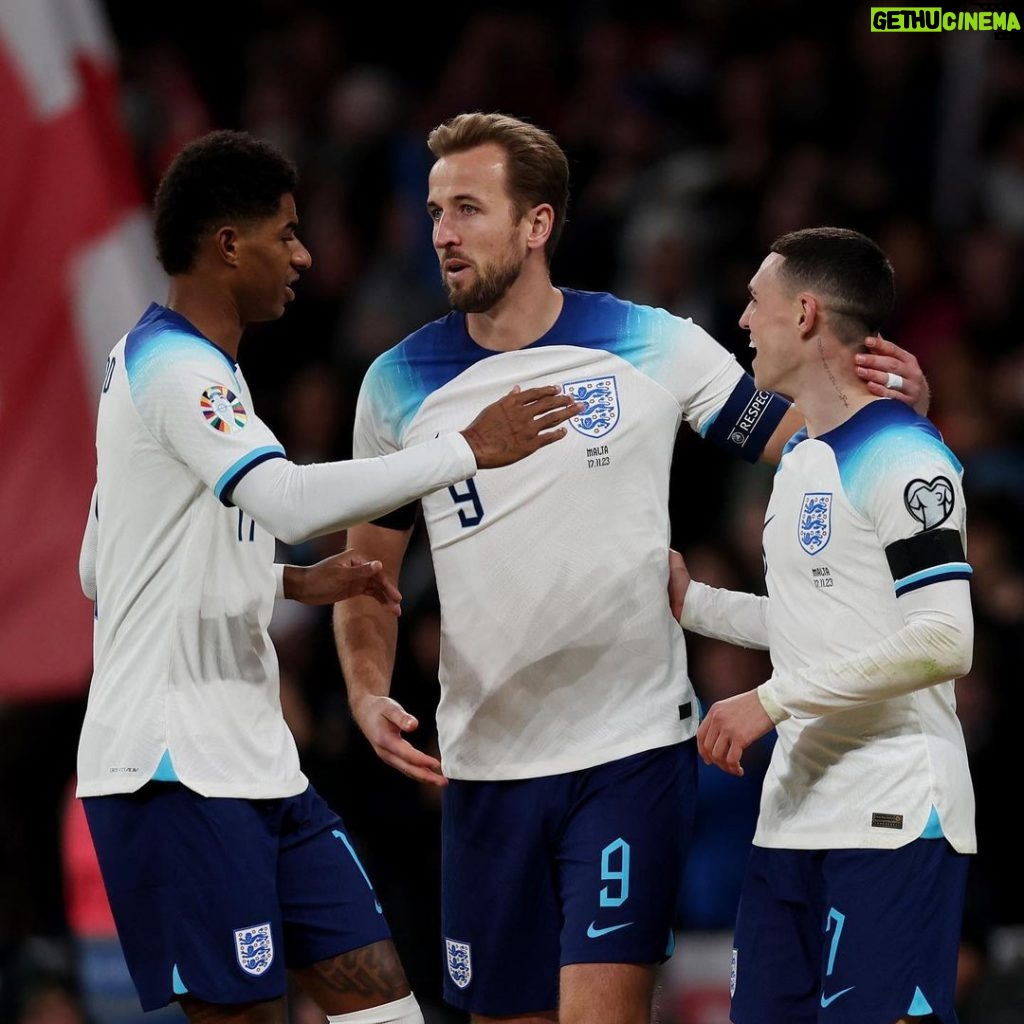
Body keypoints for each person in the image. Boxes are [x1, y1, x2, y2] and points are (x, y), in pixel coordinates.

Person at [331, 113, 929, 1024]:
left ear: (536, 226)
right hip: (486, 766)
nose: (443, 232)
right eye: (435, 211)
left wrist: (897, 422)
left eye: (467, 209)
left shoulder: (652, 344)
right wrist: (367, 688)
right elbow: (364, 574)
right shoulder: (396, 384)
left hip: (630, 753)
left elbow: (804, 435)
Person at [75, 128, 580, 1024]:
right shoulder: (178, 371)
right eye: (287, 232)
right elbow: (289, 500)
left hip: (258, 767)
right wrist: (465, 449)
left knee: (387, 1014)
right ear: (229, 245)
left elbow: (101, 563)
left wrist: (286, 585)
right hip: (172, 768)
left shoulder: (172, 366)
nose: (304, 255)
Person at [677, 226, 975, 1024]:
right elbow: (823, 626)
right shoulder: (804, 457)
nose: (742, 320)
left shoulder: (906, 454)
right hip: (791, 820)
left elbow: (947, 640)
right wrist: (691, 604)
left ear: (805, 313)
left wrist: (770, 702)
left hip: (893, 814)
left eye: (753, 301)